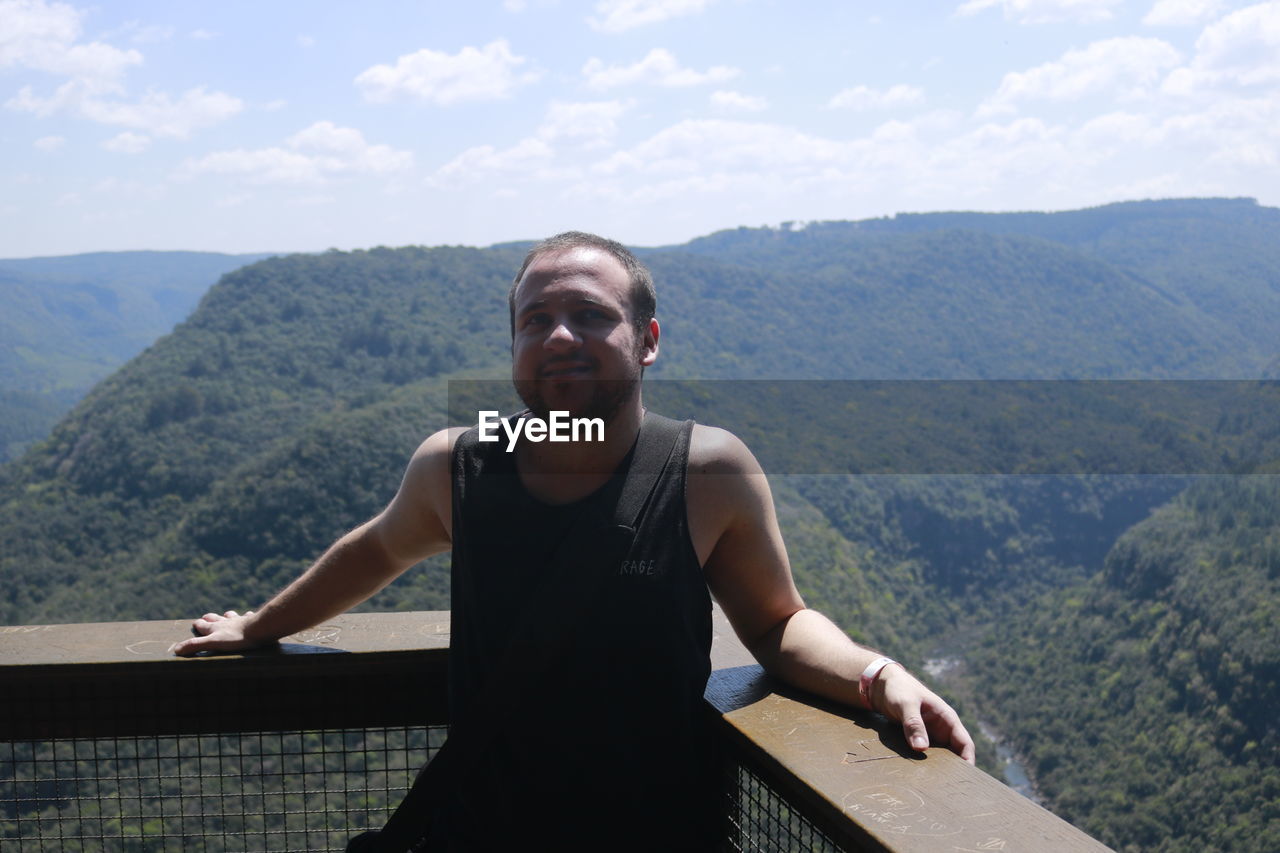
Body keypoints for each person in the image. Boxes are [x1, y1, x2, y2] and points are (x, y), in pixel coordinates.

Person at [172, 231, 975, 849]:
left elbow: (776, 622)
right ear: (514, 347)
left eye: (591, 314)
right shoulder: (458, 467)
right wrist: (258, 627)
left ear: (648, 338)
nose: (559, 336)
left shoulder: (705, 467)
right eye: (536, 320)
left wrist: (876, 673)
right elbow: (374, 550)